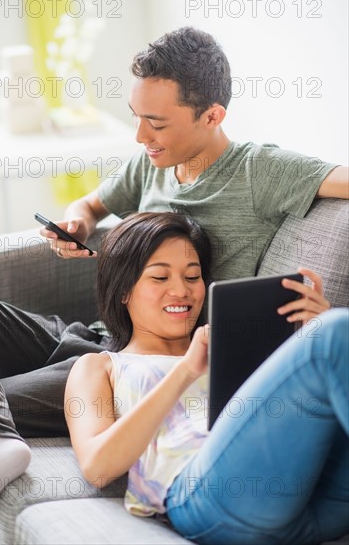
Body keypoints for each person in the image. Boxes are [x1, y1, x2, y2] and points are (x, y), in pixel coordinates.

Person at [0, 26, 348, 489]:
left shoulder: (261, 171)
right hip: (98, 333)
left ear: (212, 115)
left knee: (1, 401)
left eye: (156, 124)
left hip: (141, 364)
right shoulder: (151, 163)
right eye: (137, 117)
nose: (139, 135)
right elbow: (90, 206)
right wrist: (76, 224)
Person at [64, 212, 349, 544]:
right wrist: (186, 370)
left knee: (333, 327)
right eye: (159, 278)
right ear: (123, 290)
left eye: (192, 276)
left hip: (319, 495)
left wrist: (312, 331)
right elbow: (98, 466)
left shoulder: (243, 343)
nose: (181, 291)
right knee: (336, 330)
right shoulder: (98, 367)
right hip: (212, 498)